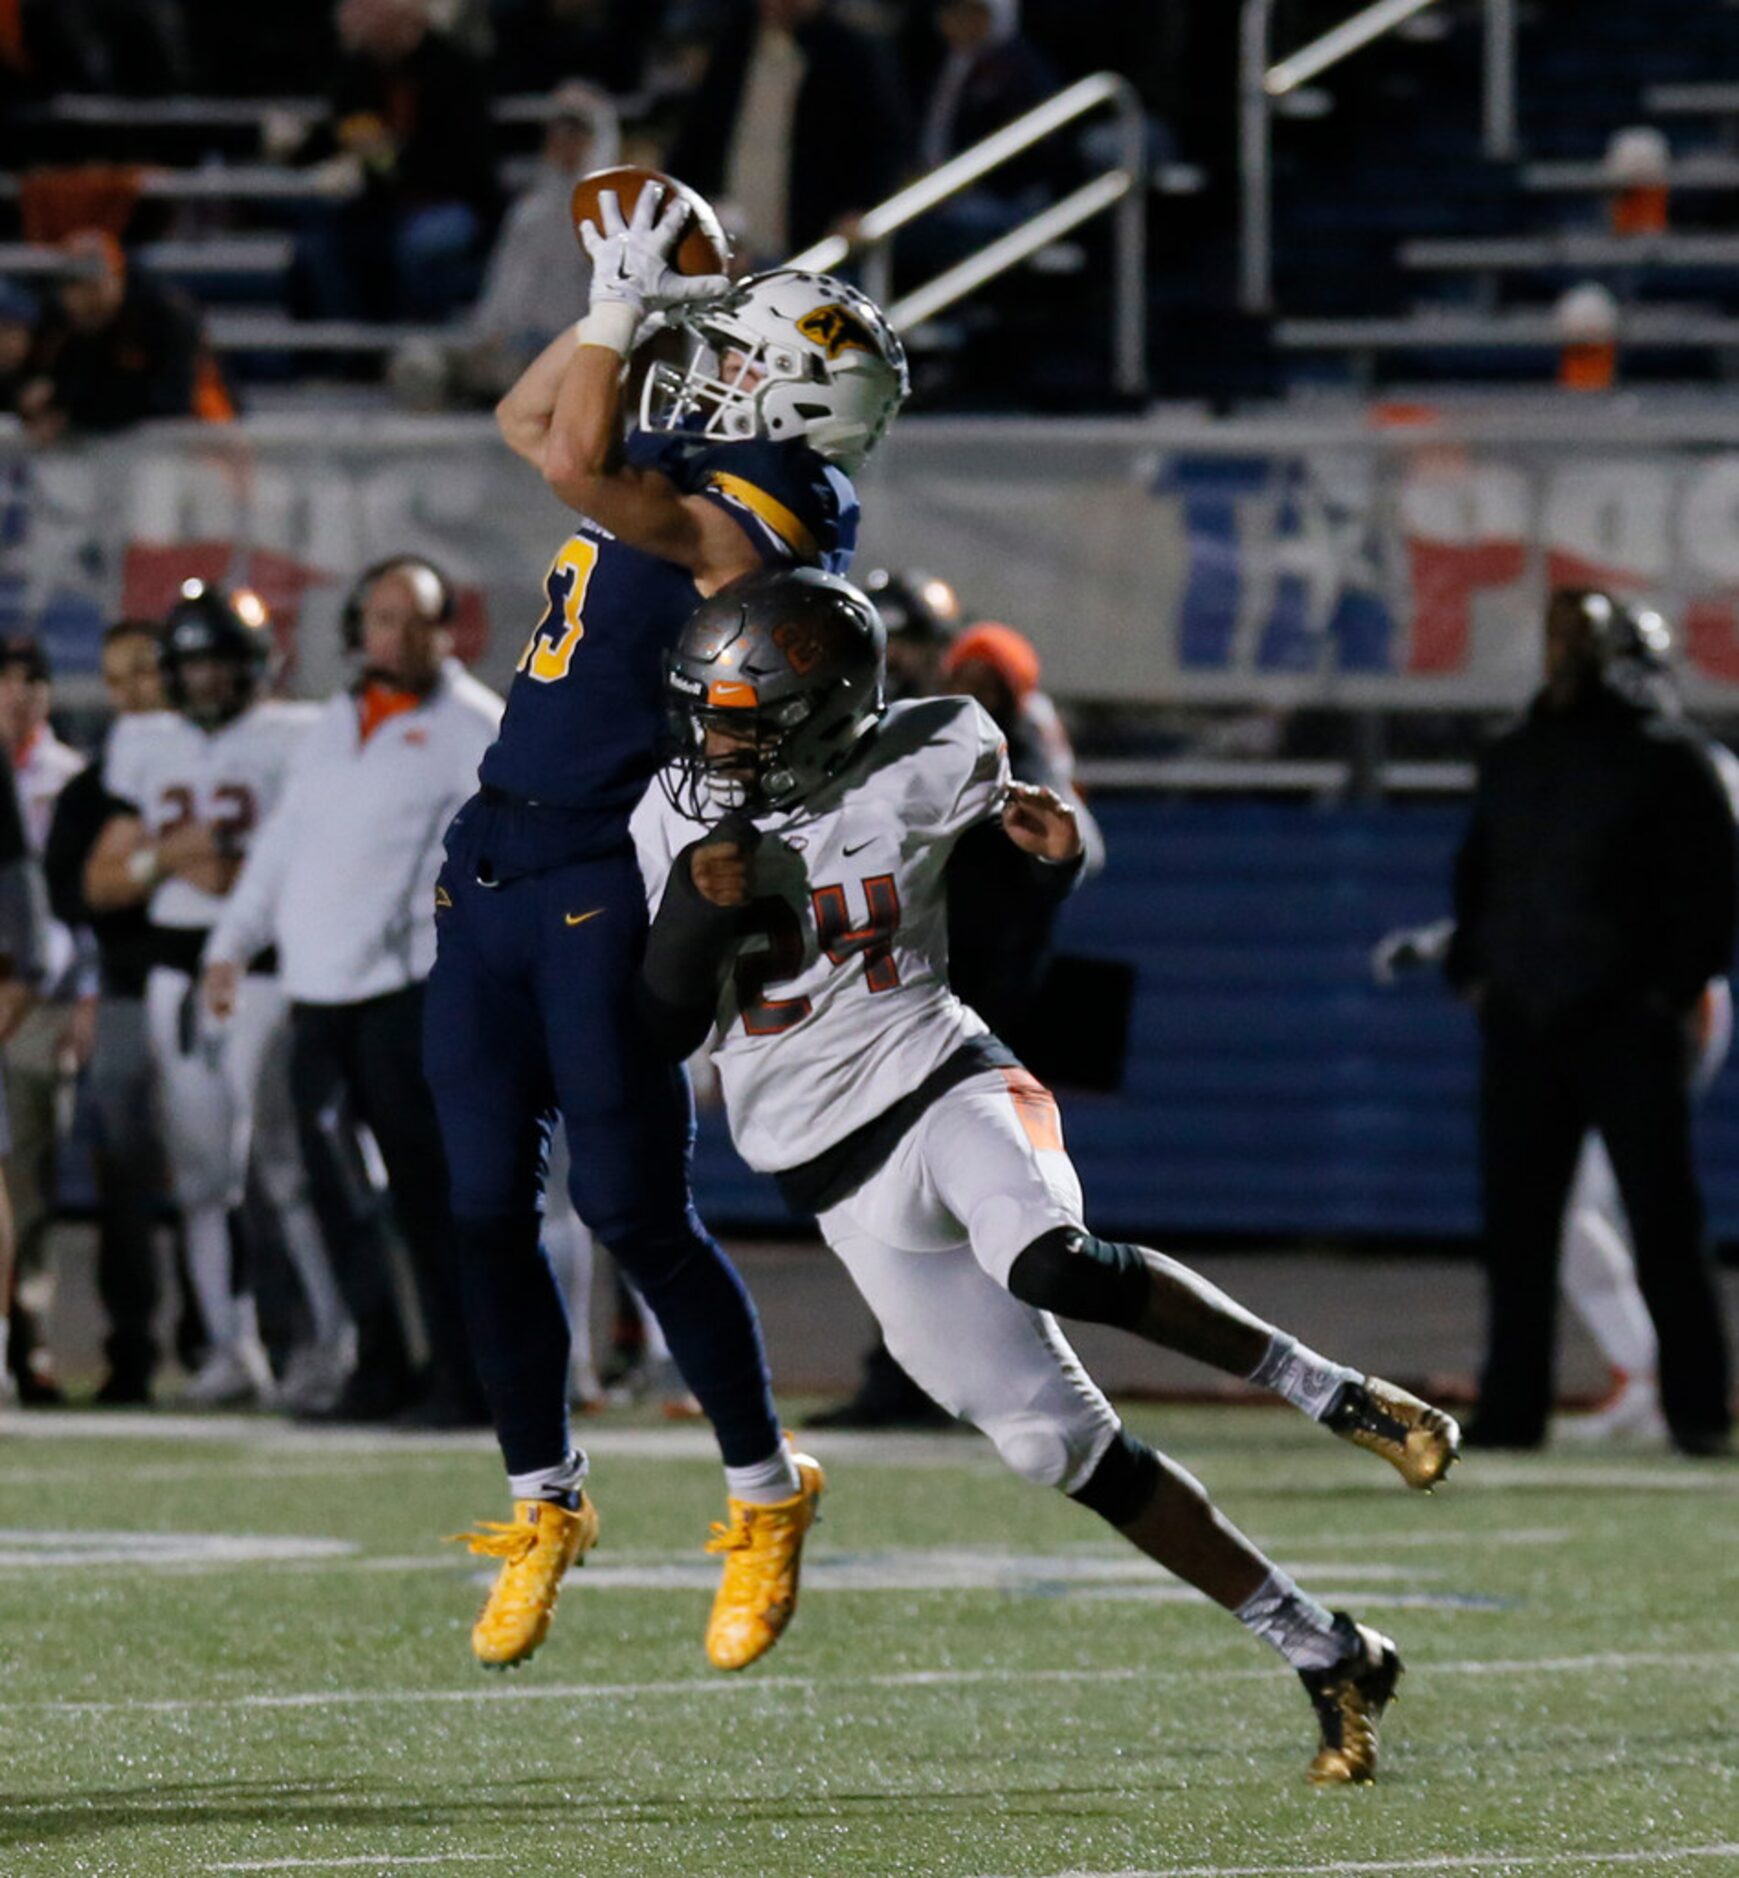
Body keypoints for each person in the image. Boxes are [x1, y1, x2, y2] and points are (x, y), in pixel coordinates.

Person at [631, 566, 1461, 1786]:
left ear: (820, 713)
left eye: (742, 718)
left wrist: (1060, 857)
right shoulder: (668, 809)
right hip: (831, 1177)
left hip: (938, 1073)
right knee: (1048, 1448)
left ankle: (1333, 1391)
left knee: (1049, 1255)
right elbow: (658, 1023)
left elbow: (1034, 850)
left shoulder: (933, 750)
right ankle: (1325, 1648)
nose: (714, 741)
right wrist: (698, 915)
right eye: (706, 711)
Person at [426, 182, 907, 1675]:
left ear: (797, 393)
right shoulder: (709, 444)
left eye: (749, 348)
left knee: (633, 1211)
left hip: (595, 871)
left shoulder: (781, 513)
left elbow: (566, 453)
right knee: (479, 1207)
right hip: (489, 852)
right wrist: (613, 313)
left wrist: (631, 314)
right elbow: (527, 422)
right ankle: (540, 1498)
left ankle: (765, 1488)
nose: (726, 360)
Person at [200, 555, 502, 1425]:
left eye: (416, 620)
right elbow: (283, 844)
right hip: (317, 991)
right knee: (335, 1192)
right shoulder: (332, 723)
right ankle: (379, 1363)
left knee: (426, 1192)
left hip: (407, 992)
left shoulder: (475, 727)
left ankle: (461, 1374)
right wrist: (231, 942)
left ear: (447, 631)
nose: (396, 637)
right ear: (356, 629)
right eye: (381, 619)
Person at [1447, 588, 1737, 1457]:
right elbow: (1480, 874)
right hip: (1529, 1018)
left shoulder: (1668, 759)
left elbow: (1712, 891)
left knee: (1660, 1218)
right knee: (1520, 1226)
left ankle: (1694, 1409)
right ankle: (1512, 1408)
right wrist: (1478, 971)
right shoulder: (1517, 755)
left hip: (1624, 1018)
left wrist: (1665, 988)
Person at [84, 583, 348, 1407]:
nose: (203, 683)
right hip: (174, 974)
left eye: (218, 666)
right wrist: (168, 857)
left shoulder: (298, 735)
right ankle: (232, 1350)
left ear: (256, 667)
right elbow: (106, 877)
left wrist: (207, 864)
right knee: (203, 1180)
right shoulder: (142, 742)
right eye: (190, 667)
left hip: (264, 970)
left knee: (285, 1167)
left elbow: (273, 866)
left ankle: (334, 1341)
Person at [41, 620, 176, 1404]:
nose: (132, 692)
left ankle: (241, 1339)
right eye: (115, 677)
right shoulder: (94, 788)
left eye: (146, 670)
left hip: (222, 990)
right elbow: (70, 895)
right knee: (125, 1178)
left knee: (230, 1181)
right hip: (125, 991)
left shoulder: (240, 758)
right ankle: (133, 1351)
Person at [0, 633, 88, 1401]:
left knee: (24, 1169)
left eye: (33, 680)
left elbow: (73, 902)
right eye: (7, 680)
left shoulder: (69, 779)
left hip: (37, 991)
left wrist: (79, 994)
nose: (20, 694)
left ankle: (26, 1338)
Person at [293, 0, 498, 322]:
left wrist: (391, 156)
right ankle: (349, 352)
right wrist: (292, 146)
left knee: (421, 243)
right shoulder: (360, 71)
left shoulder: (453, 70)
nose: (363, 25)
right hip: (380, 203)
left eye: (374, 14)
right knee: (322, 243)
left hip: (449, 200)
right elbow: (334, 134)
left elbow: (466, 161)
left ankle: (415, 337)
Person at [669, 0, 911, 263]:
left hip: (810, 243)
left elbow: (885, 142)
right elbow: (699, 134)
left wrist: (861, 207)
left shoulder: (852, 51)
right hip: (731, 236)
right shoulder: (737, 41)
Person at [17, 230, 233, 445]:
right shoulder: (61, 321)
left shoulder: (163, 315)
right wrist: (35, 399)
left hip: (191, 435)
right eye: (73, 287)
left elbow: (172, 402)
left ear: (118, 277)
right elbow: (33, 377)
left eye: (93, 286)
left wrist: (69, 408)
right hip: (108, 442)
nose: (84, 299)